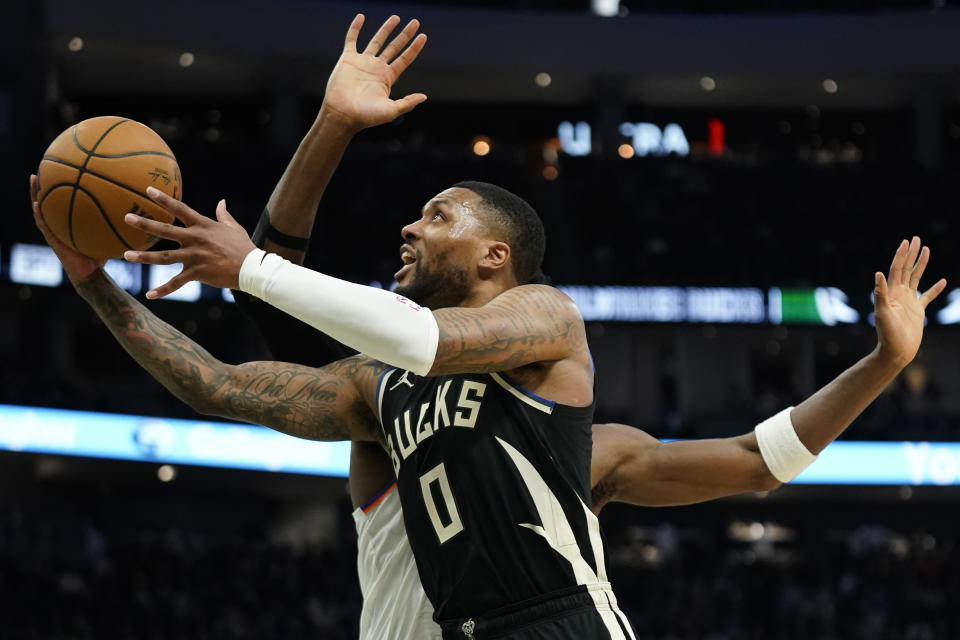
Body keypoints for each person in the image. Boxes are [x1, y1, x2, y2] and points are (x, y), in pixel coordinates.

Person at [31, 15, 946, 640]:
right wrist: (91, 285)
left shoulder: (550, 325)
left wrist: (882, 360)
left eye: (436, 215)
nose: (409, 226)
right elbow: (227, 380)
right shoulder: (375, 388)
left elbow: (757, 460)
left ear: (498, 255)